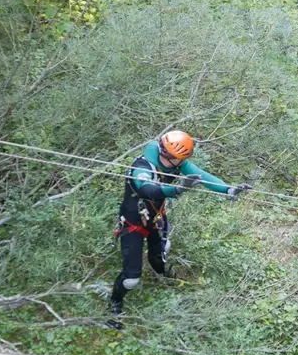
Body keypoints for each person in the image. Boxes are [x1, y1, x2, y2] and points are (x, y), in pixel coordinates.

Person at [108, 130, 252, 327]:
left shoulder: (176, 162)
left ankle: (160, 272)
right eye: (180, 159)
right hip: (133, 223)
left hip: (156, 217)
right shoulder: (142, 167)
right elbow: (146, 188)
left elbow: (203, 176)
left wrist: (228, 189)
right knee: (131, 279)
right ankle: (114, 304)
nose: (182, 163)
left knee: (160, 253)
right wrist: (176, 190)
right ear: (168, 154)